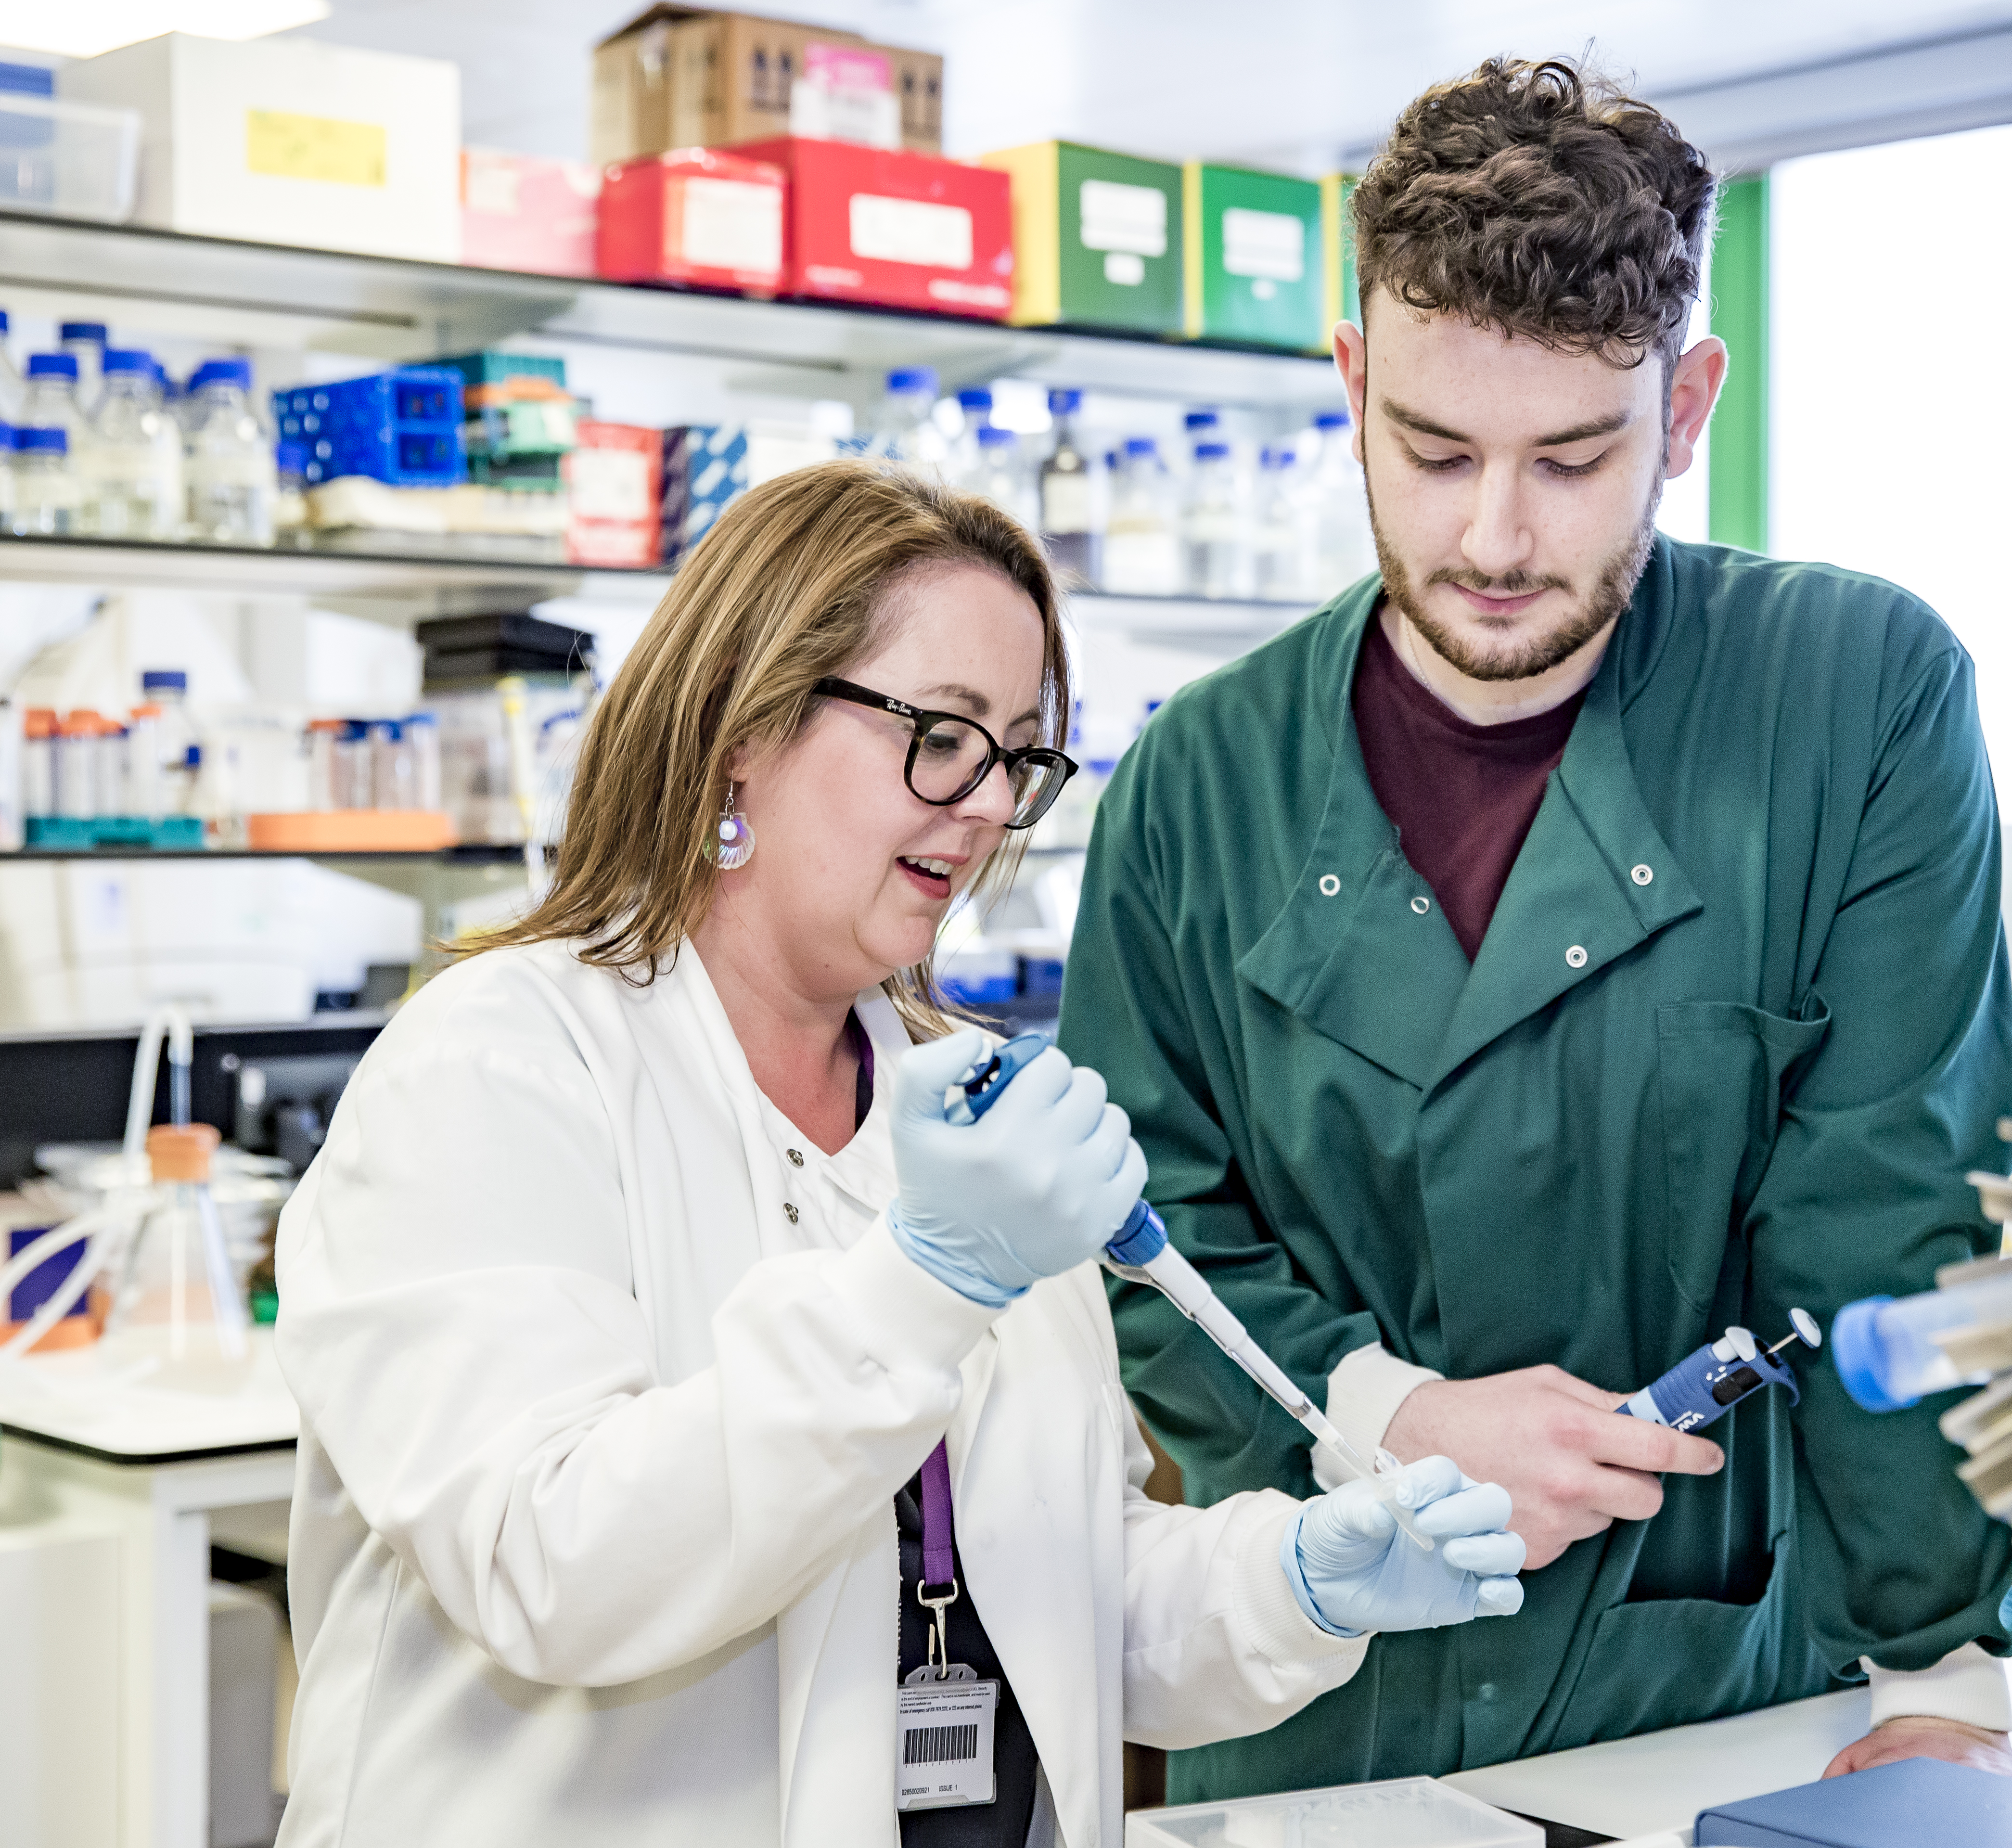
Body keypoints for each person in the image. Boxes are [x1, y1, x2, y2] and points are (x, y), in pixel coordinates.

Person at [270, 462, 1525, 1848]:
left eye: (1018, 757)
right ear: (744, 722)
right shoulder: (502, 1061)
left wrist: (1294, 1585)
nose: (989, 804)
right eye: (942, 734)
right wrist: (926, 1284)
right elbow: (556, 1567)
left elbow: (1063, 1593)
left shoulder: (959, 1101)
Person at [1056, 58, 2012, 1805]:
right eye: (1430, 451)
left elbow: (1895, 1212)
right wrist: (1385, 1410)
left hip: (1713, 1699)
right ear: (1352, 380)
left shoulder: (1859, 699)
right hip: (1313, 1721)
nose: (1492, 538)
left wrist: (1946, 1662)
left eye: (1574, 458)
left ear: (1689, 406)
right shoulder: (1198, 780)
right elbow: (1144, 1235)